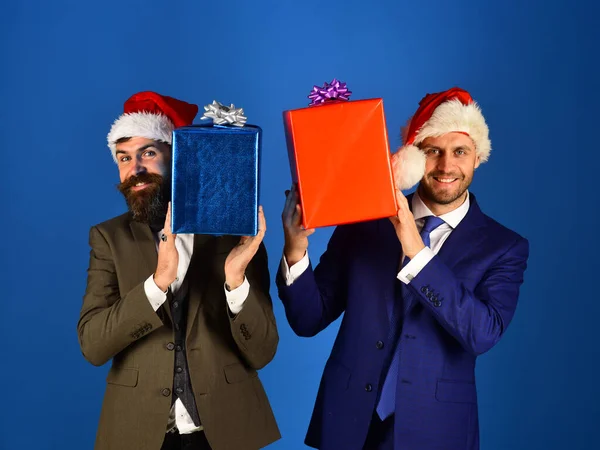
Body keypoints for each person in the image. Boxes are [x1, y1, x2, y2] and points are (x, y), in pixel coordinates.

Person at [278, 87, 529, 450]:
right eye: (433, 152)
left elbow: (482, 333)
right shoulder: (363, 220)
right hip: (349, 423)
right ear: (413, 159)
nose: (446, 166)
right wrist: (296, 248)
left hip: (436, 429)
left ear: (477, 158)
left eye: (460, 152)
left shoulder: (503, 247)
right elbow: (308, 319)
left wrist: (415, 248)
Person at [78, 91, 280, 450]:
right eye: (124, 158)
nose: (135, 169)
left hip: (227, 431)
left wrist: (235, 281)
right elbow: (93, 345)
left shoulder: (235, 230)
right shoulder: (107, 238)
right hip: (139, 434)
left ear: (179, 158)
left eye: (149, 153)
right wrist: (157, 284)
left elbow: (263, 351)